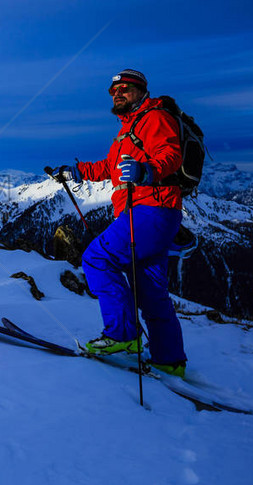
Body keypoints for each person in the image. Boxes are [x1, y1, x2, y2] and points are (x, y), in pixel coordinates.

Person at [49, 69, 187, 377]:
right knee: (149, 290)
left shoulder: (155, 118)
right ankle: (170, 360)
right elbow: (109, 167)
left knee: (97, 258)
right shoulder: (129, 130)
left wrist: (146, 172)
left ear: (140, 91)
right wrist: (76, 172)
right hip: (152, 214)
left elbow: (171, 155)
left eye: (124, 89)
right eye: (113, 91)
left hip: (150, 209)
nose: (117, 94)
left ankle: (123, 335)